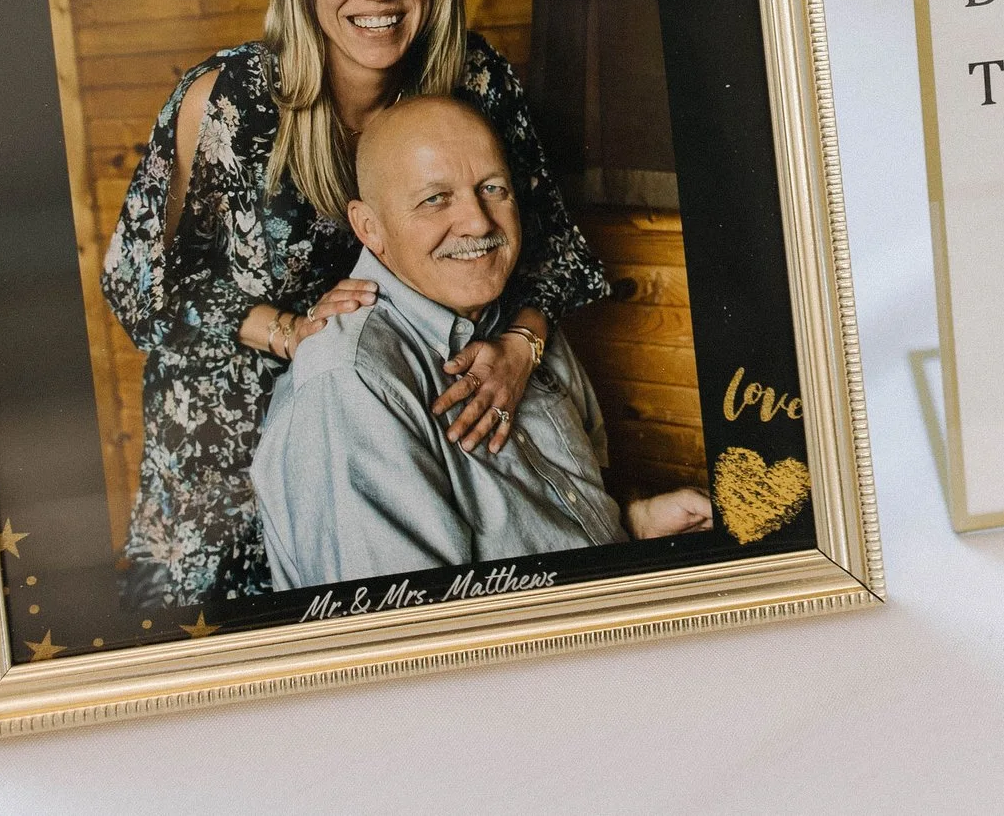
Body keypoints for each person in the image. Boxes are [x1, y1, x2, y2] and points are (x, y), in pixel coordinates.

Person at [102, 0, 608, 607]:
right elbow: (137, 284)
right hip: (225, 455)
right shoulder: (230, 101)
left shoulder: (475, 82)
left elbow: (547, 249)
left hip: (393, 426)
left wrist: (519, 344)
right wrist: (284, 329)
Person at [253, 97, 713, 587]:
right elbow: (413, 639)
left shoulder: (525, 328)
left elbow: (573, 497)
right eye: (436, 199)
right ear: (370, 227)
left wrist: (632, 524)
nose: (479, 223)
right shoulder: (352, 381)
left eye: (492, 189)